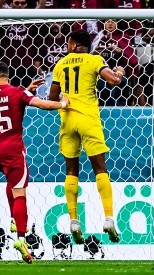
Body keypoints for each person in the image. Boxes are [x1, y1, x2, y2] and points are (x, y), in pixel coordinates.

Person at [0, 62, 69, 263]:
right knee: (20, 191)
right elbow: (44, 105)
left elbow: (8, 100)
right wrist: (63, 103)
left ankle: (14, 219)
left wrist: (25, 91)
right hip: (12, 150)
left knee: (11, 183)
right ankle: (21, 238)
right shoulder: (17, 94)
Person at [49, 29, 125, 245]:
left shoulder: (60, 64)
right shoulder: (94, 59)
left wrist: (65, 97)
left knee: (71, 171)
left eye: (67, 43)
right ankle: (109, 218)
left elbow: (52, 97)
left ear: (73, 45)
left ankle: (74, 221)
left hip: (67, 120)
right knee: (100, 169)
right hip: (88, 119)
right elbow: (113, 81)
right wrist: (119, 72)